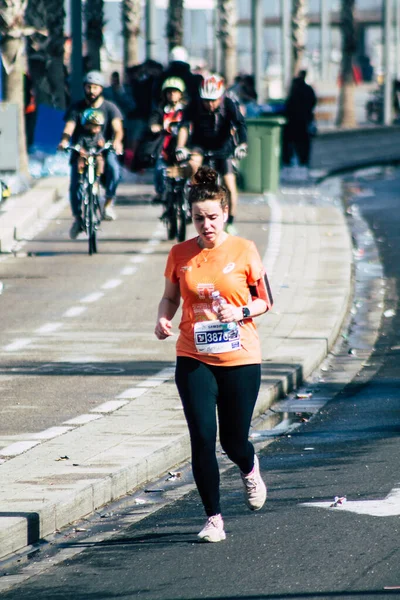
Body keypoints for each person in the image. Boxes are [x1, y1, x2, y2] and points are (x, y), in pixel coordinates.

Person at [154, 166, 273, 543]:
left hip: (240, 356)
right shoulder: (180, 254)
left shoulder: (244, 249)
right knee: (203, 437)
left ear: (225, 214)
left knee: (233, 441)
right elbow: (171, 297)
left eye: (212, 217)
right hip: (193, 355)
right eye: (198, 218)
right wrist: (162, 318)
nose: (206, 225)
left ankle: (250, 467)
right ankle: (213, 518)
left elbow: (265, 300)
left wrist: (238, 312)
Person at [175, 74, 248, 235]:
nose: (209, 104)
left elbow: (240, 124)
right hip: (200, 144)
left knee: (229, 184)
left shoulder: (229, 104)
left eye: (213, 100)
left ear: (220, 97)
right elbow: (184, 126)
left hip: (223, 147)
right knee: (193, 165)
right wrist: (180, 146)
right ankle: (190, 199)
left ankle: (230, 221)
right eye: (206, 100)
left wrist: (242, 144)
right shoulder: (194, 105)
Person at [58, 70, 124, 237]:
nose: (92, 91)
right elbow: (69, 127)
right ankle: (78, 219)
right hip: (81, 151)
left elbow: (118, 129)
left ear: (101, 88)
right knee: (75, 187)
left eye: (95, 87)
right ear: (84, 88)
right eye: (89, 87)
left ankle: (108, 202)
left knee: (114, 170)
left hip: (103, 149)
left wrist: (116, 142)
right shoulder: (76, 107)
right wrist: (65, 140)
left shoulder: (110, 107)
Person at [149, 77, 187, 205]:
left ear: (181, 94)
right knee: (160, 170)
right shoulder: (160, 111)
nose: (172, 95)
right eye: (169, 92)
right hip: (165, 149)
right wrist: (158, 128)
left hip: (183, 148)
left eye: (175, 92)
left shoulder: (186, 111)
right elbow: (152, 124)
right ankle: (161, 193)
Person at [282, 70, 317, 179]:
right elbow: (313, 102)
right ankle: (303, 163)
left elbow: (289, 106)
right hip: (304, 122)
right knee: (304, 145)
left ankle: (290, 162)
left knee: (291, 144)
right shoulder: (308, 89)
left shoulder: (295, 91)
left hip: (293, 123)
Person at [75, 108, 106, 178]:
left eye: (98, 126)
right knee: (81, 160)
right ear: (87, 125)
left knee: (100, 161)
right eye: (93, 125)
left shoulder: (99, 135)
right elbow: (80, 144)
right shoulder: (83, 135)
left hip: (96, 153)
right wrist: (81, 149)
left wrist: (102, 144)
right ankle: (81, 176)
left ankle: (98, 177)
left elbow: (102, 143)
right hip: (86, 153)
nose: (96, 128)